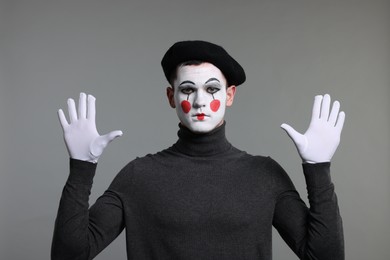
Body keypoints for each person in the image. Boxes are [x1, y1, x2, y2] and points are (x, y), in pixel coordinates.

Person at [51, 40, 345, 260]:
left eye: (212, 89)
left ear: (230, 95)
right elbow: (70, 255)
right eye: (188, 89)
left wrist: (318, 168)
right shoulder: (139, 176)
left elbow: (324, 257)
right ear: (171, 97)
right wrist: (81, 165)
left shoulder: (265, 175)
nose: (201, 101)